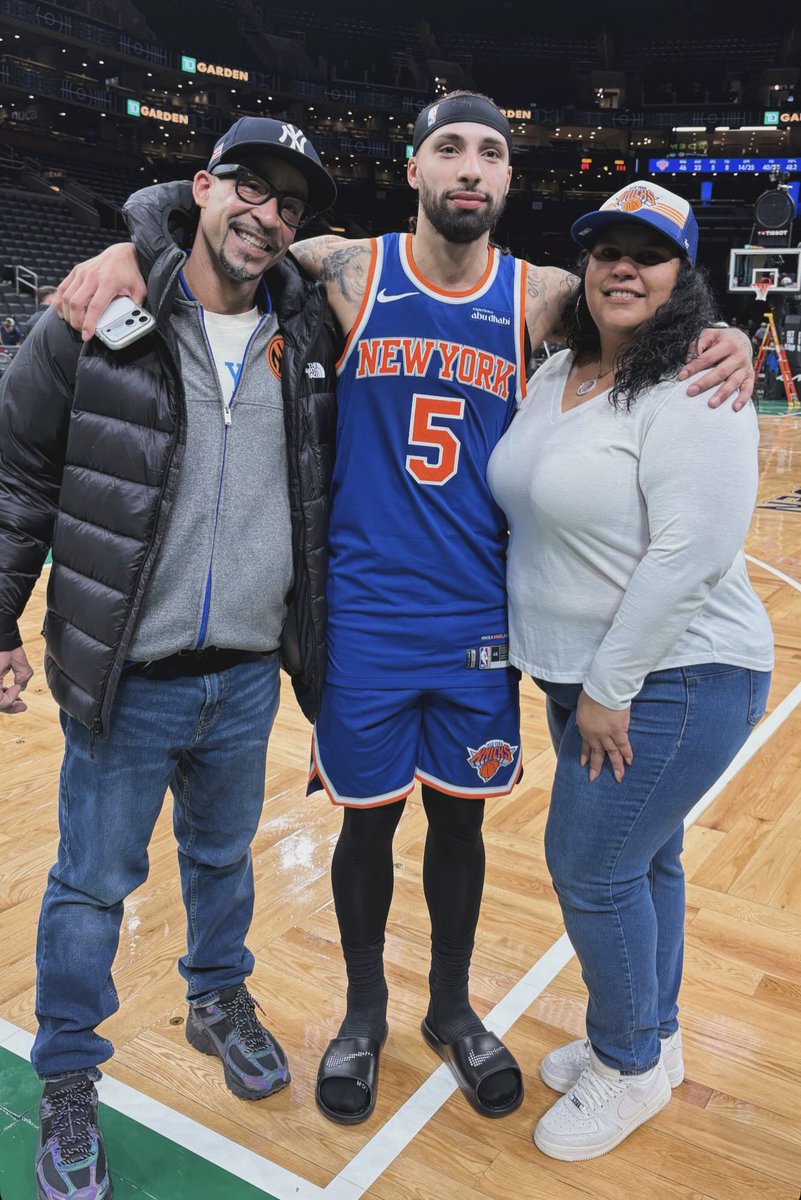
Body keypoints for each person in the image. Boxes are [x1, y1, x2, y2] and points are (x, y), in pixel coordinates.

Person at [55, 94, 755, 1129]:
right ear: (416, 170)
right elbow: (219, 231)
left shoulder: (543, 297)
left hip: (479, 621)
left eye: (491, 154)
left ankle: (454, 1010)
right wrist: (127, 242)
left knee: (460, 827)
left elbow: (651, 297)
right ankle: (364, 1013)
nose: (470, 169)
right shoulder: (349, 269)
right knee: (366, 829)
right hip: (364, 620)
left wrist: (730, 332)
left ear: (510, 183)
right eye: (448, 150)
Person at [0, 116, 338, 1200]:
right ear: (200, 186)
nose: (269, 213)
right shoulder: (102, 312)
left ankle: (216, 996)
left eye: (290, 203)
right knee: (91, 887)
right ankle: (66, 1079)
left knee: (225, 863)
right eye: (249, 186)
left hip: (244, 679)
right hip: (127, 679)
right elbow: (16, 473)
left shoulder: (314, 337)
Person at [487, 181, 774, 1160]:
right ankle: (655, 1034)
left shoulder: (695, 381)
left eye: (647, 253)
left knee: (589, 864)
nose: (622, 266)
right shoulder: (558, 370)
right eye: (607, 248)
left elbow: (690, 553)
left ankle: (626, 1063)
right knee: (646, 859)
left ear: (680, 278)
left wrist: (611, 689)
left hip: (675, 676)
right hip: (581, 678)